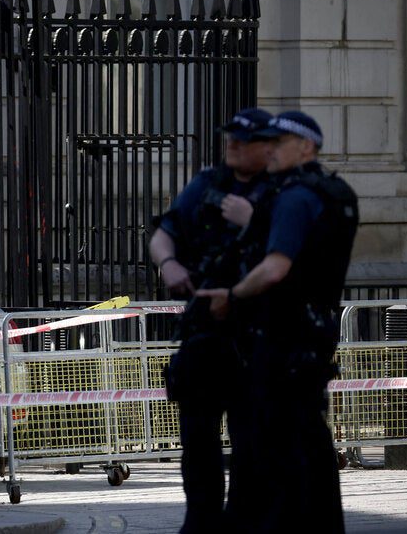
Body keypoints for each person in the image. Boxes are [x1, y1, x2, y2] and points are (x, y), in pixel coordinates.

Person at [197, 111, 358, 533]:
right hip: (316, 332)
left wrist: (232, 295)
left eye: (279, 142)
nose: (269, 149)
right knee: (311, 443)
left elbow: (275, 268)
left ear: (305, 147)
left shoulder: (294, 197)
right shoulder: (335, 192)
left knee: (274, 448)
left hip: (282, 336)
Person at [149, 107, 274, 533]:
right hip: (204, 332)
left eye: (244, 140)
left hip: (255, 336)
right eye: (229, 139)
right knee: (198, 443)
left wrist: (253, 220)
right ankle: (200, 523)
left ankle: (242, 523)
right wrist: (167, 263)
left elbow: (298, 251)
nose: (233, 146)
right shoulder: (207, 183)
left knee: (251, 447)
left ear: (266, 146)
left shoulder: (282, 189)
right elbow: (165, 230)